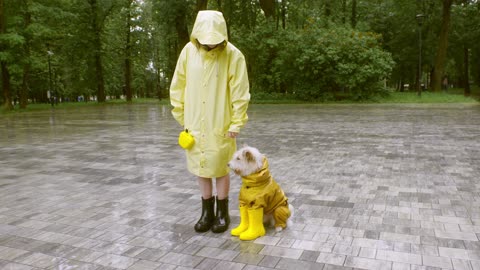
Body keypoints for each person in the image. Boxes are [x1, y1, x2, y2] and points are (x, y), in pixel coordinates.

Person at [170, 10, 250, 233]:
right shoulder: (188, 52)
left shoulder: (234, 55)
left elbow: (240, 92)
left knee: (221, 167)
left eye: (214, 42)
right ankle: (207, 212)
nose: (210, 45)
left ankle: (222, 213)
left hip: (220, 123)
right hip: (194, 122)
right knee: (201, 168)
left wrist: (236, 123)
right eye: (206, 42)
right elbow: (178, 85)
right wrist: (182, 115)